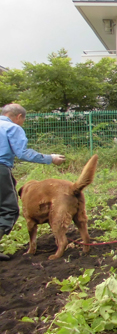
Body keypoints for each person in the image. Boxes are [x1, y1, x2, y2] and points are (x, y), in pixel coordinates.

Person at [0, 104, 65, 261]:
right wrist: (51, 158)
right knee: (9, 210)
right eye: (23, 120)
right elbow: (22, 153)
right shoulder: (12, 128)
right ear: (19, 117)